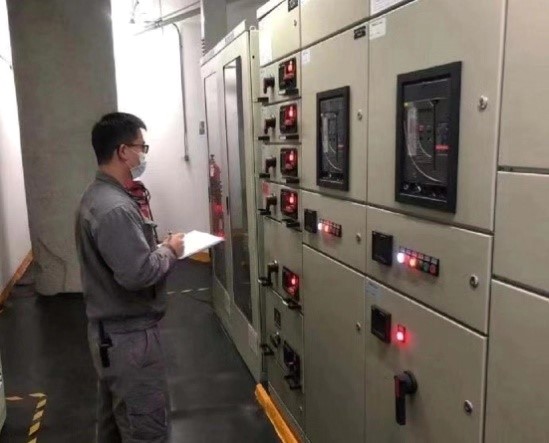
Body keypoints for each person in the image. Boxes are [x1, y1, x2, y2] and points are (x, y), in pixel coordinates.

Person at [75, 112, 184, 442]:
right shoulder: (115, 209)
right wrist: (170, 251)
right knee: (145, 429)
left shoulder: (98, 196)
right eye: (141, 147)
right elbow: (138, 274)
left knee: (114, 427)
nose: (143, 155)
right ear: (123, 151)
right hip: (130, 341)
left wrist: (155, 247)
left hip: (112, 337)